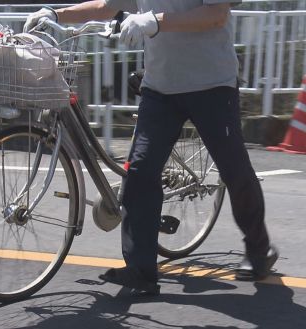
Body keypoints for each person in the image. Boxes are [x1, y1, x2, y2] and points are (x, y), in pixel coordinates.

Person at [24, 0, 279, 295]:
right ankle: (141, 270)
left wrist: (154, 21)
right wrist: (57, 14)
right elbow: (109, 5)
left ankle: (260, 248)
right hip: (161, 88)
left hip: (211, 85)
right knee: (140, 171)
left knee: (234, 170)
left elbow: (216, 15)